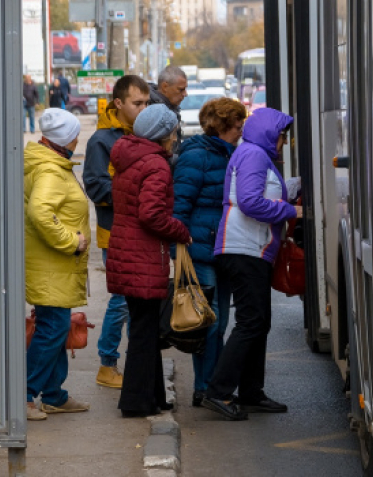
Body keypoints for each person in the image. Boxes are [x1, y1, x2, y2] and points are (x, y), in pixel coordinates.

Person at [201, 108, 303, 421]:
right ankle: (218, 391)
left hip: (252, 249)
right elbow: (249, 202)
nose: (284, 142)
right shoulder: (255, 155)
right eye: (283, 135)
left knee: (258, 322)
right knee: (251, 322)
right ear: (271, 133)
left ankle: (251, 393)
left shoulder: (253, 154)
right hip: (244, 249)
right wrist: (290, 211)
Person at [106, 104, 191, 417]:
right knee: (144, 333)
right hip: (141, 255)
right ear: (162, 133)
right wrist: (180, 230)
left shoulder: (128, 155)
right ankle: (136, 402)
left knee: (146, 329)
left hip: (127, 252)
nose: (174, 134)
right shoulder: (155, 164)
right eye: (172, 129)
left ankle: (153, 397)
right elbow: (151, 214)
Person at [171, 97, 247, 407]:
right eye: (238, 124)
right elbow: (180, 206)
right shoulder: (197, 156)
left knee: (220, 321)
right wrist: (181, 250)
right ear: (224, 126)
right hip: (201, 251)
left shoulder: (231, 153)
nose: (241, 129)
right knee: (208, 322)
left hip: (225, 249)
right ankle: (206, 386)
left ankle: (212, 384)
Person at [82, 75, 151, 389]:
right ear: (119, 103)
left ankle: (135, 364)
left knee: (138, 300)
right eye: (138, 103)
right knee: (122, 299)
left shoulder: (146, 132)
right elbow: (96, 187)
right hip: (116, 230)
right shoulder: (101, 140)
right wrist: (137, 193)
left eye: (147, 103)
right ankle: (107, 363)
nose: (143, 109)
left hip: (144, 228)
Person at [23, 108, 91, 421]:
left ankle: (54, 395)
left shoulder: (51, 162)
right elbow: (40, 213)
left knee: (56, 327)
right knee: (53, 328)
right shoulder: (50, 170)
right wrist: (70, 241)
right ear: (66, 139)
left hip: (53, 265)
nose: (78, 139)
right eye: (75, 134)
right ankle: (24, 395)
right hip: (52, 262)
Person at [148, 65, 188, 155]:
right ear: (165, 87)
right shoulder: (152, 111)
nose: (185, 94)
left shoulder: (170, 107)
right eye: (181, 90)